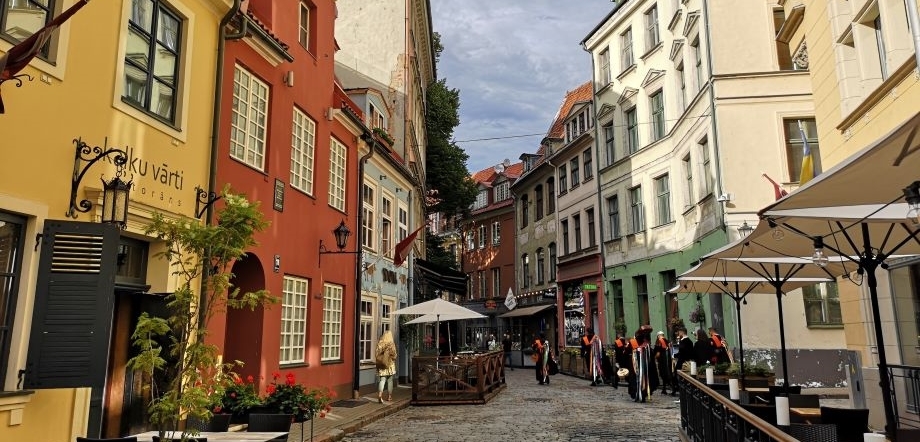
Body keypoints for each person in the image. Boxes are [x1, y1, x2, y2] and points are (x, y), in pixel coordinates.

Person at [375, 330, 397, 404]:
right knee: (390, 381)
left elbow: (376, 355)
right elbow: (395, 356)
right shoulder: (391, 344)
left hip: (382, 365)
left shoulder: (380, 343)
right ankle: (389, 396)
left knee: (382, 380)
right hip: (390, 365)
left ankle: (380, 395)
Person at [672, 327, 695, 395]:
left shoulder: (685, 341)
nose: (678, 333)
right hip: (685, 360)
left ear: (682, 332)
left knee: (678, 375)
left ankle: (680, 391)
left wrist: (674, 356)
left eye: (679, 332)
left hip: (683, 361)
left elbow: (682, 352)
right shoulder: (688, 341)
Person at [654, 330, 673, 395]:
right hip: (667, 361)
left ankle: (672, 388)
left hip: (662, 361)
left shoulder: (660, 341)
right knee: (667, 374)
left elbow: (658, 352)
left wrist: (655, 357)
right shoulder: (667, 341)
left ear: (658, 335)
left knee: (664, 374)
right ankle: (664, 389)